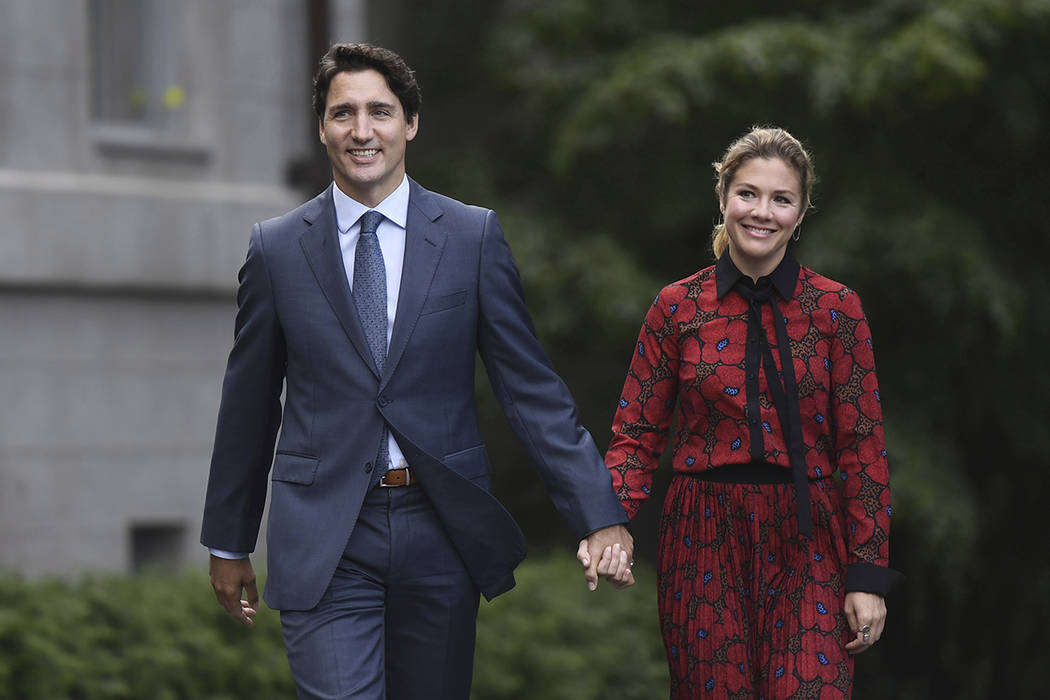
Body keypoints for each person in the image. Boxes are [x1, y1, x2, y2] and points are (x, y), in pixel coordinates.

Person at [200, 42, 633, 700]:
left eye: (381, 111)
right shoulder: (277, 249)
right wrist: (229, 540)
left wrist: (597, 512)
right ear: (322, 128)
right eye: (344, 114)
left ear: (411, 123)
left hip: (440, 526)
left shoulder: (471, 237)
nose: (363, 131)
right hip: (325, 534)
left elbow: (531, 392)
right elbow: (250, 407)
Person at [603, 126, 902, 698]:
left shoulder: (837, 310)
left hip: (810, 534)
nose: (762, 211)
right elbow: (637, 433)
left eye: (780, 198)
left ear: (800, 211)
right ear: (723, 199)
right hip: (702, 533)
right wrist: (609, 521)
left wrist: (868, 574)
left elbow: (863, 447)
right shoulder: (678, 306)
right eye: (748, 194)